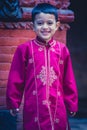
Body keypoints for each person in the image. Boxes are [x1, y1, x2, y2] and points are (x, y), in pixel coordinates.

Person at [6, 3, 78, 130]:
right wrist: (13, 102)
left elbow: (69, 80)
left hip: (58, 107)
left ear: (57, 25)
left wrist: (71, 104)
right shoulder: (24, 49)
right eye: (40, 23)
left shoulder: (62, 50)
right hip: (34, 107)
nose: (45, 27)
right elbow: (16, 78)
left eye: (49, 23)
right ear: (33, 26)